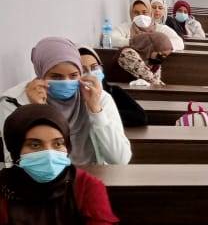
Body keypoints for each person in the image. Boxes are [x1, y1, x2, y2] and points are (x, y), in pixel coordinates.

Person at [0, 37, 132, 166]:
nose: (66, 82)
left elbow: (119, 159)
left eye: (74, 75)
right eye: (56, 77)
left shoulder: (97, 97)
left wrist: (96, 110)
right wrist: (38, 111)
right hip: (44, 178)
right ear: (41, 73)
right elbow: (13, 161)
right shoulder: (14, 101)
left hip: (92, 173)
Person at [0, 104, 118, 225]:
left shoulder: (87, 186)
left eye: (57, 144)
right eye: (35, 145)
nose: (49, 154)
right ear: (15, 149)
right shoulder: (3, 186)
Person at [111, 0, 184, 51]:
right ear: (131, 14)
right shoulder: (126, 27)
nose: (141, 15)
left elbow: (179, 43)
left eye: (144, 12)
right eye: (136, 13)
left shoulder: (161, 28)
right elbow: (113, 39)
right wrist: (135, 42)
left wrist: (153, 43)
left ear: (150, 13)